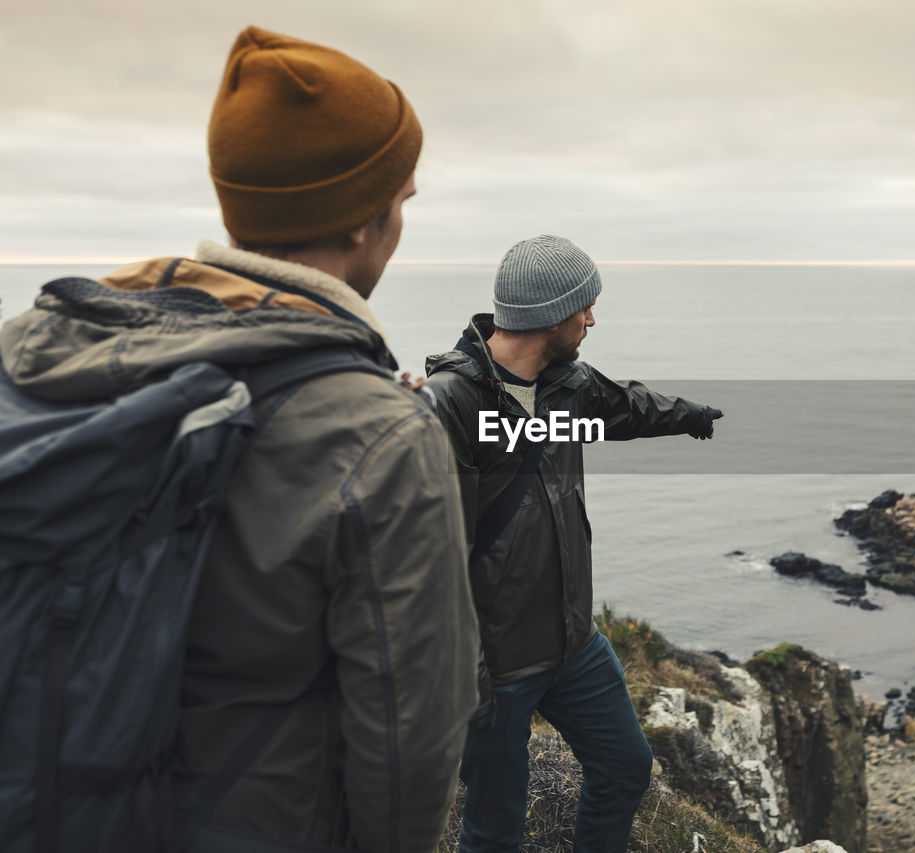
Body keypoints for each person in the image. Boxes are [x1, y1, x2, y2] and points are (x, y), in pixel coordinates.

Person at [0, 27, 477, 852]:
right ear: (365, 224)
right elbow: (407, 742)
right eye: (401, 199)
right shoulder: (384, 437)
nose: (401, 218)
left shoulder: (34, 351)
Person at [423, 234, 723, 852]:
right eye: (584, 307)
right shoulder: (450, 404)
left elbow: (624, 407)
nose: (592, 318)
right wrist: (470, 678)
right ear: (551, 315)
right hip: (495, 665)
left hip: (572, 643)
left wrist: (689, 414)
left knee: (625, 769)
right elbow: (434, 558)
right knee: (493, 826)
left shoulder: (566, 386)